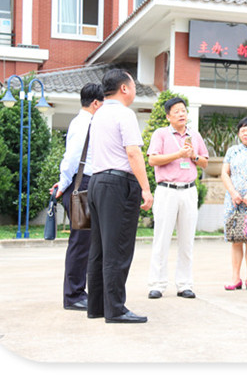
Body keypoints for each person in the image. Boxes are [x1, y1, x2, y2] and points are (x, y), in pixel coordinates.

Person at [86, 69, 153, 324]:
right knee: (118, 249)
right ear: (124, 88)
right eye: (133, 85)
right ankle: (115, 309)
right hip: (117, 184)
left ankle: (97, 307)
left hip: (97, 182)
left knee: (99, 249)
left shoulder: (98, 114)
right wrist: (146, 188)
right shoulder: (124, 114)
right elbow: (133, 153)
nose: (134, 89)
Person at [147, 97, 209, 300]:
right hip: (167, 190)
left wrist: (193, 156)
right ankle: (157, 284)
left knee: (187, 240)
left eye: (183, 110)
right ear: (168, 116)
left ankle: (185, 284)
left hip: (189, 190)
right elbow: (153, 159)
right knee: (162, 238)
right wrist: (178, 154)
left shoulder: (194, 135)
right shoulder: (161, 134)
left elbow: (205, 162)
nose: (182, 114)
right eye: (176, 111)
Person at [51, 83, 104, 311]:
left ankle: (78, 292)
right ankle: (73, 295)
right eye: (103, 103)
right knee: (81, 242)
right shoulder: (84, 123)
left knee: (86, 241)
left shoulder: (82, 122)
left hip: (82, 184)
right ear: (95, 103)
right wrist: (63, 184)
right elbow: (71, 159)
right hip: (82, 186)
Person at [221, 117, 247, 291]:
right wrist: (233, 193)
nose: (245, 133)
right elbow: (225, 173)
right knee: (236, 240)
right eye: (242, 130)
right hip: (234, 201)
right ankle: (235, 278)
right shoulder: (232, 151)